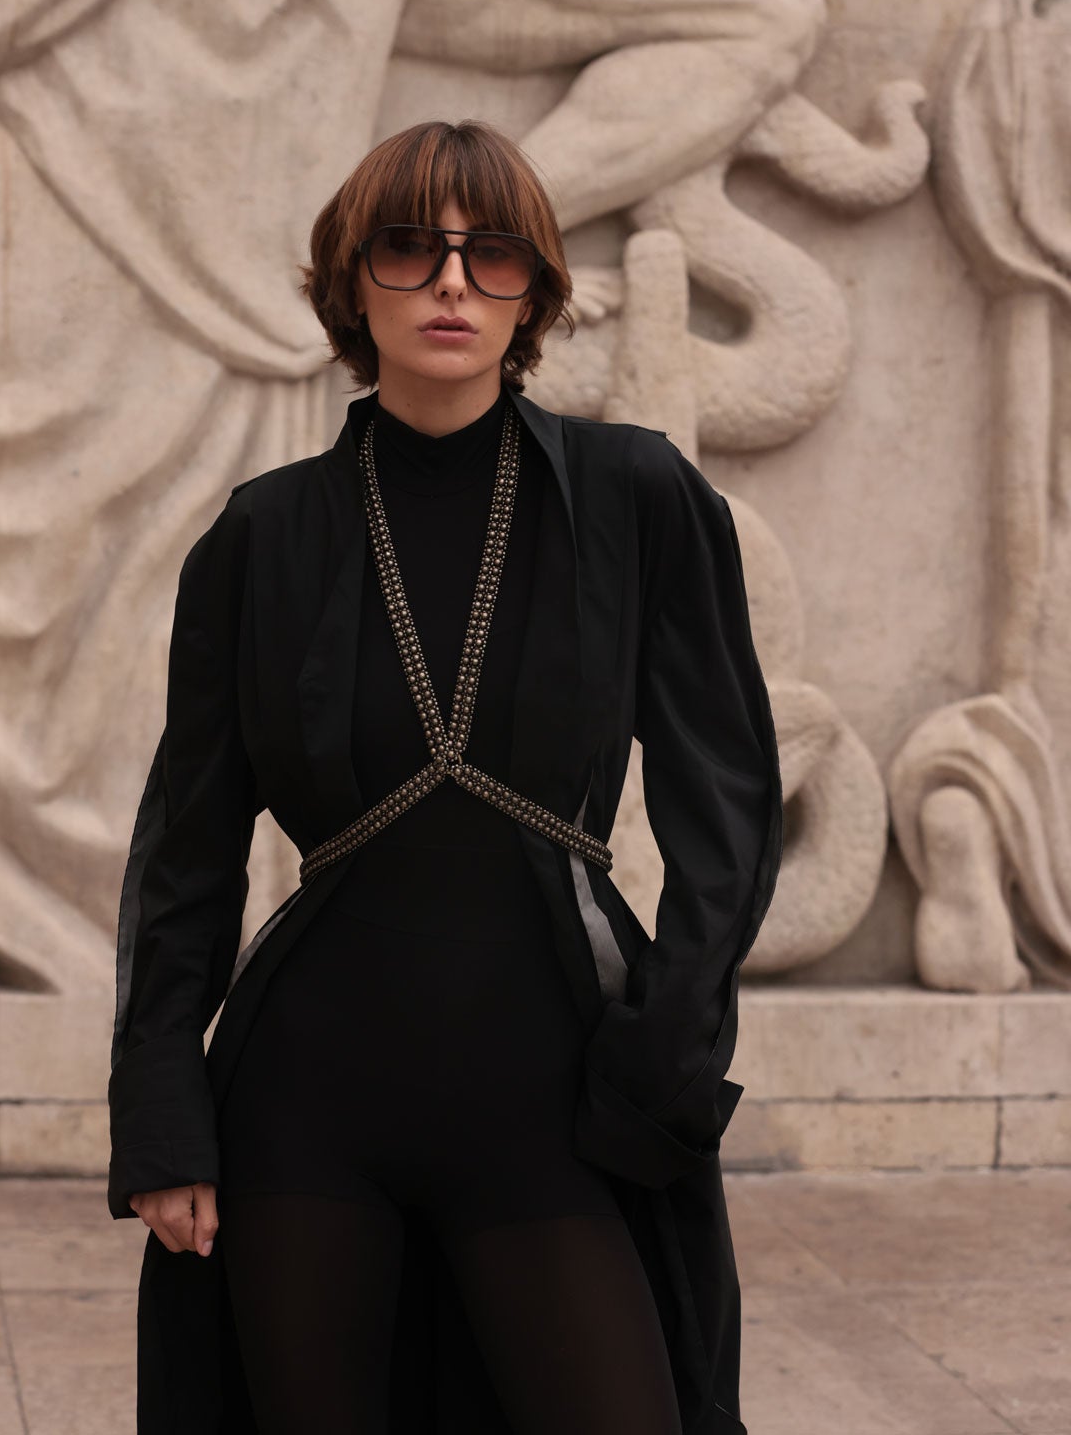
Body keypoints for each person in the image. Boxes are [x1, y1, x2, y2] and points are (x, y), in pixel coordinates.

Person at [107, 120, 783, 1435]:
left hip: (562, 1103)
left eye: (495, 255)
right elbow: (184, 852)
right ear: (354, 280)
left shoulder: (638, 495)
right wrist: (162, 1117)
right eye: (412, 250)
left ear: (535, 289)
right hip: (305, 1118)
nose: (454, 283)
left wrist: (666, 1044)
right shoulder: (263, 535)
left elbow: (730, 803)